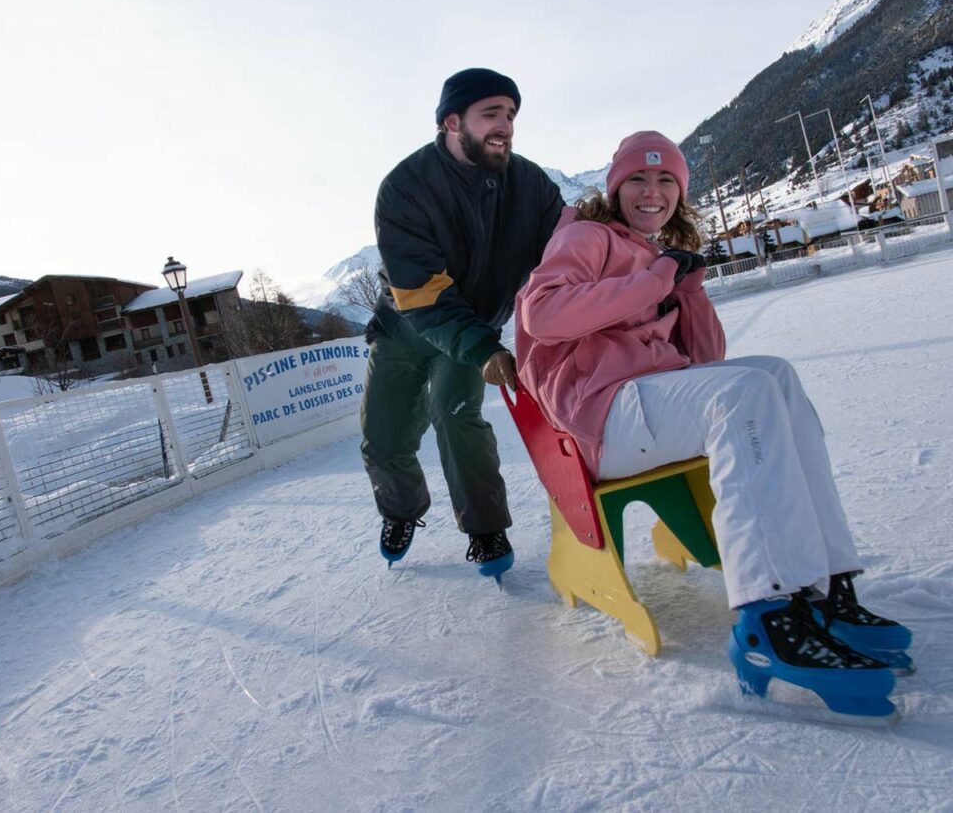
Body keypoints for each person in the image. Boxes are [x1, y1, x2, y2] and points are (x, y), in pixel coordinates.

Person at [514, 131, 912, 717]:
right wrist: (651, 283)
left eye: (666, 181)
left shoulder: (657, 255)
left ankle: (828, 588)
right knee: (746, 391)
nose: (652, 192)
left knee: (773, 376)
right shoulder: (586, 236)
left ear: (681, 192)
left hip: (649, 403)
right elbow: (541, 313)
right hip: (599, 417)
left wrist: (689, 292)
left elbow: (705, 365)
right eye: (638, 181)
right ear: (616, 187)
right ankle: (767, 619)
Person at [361, 68, 565, 581]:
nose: (506, 126)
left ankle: (485, 528)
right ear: (452, 121)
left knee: (457, 417)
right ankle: (402, 510)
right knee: (382, 438)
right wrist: (483, 347)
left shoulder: (531, 185)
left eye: (511, 114)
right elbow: (424, 295)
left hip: (471, 330)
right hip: (408, 326)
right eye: (491, 114)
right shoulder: (405, 188)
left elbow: (572, 248)